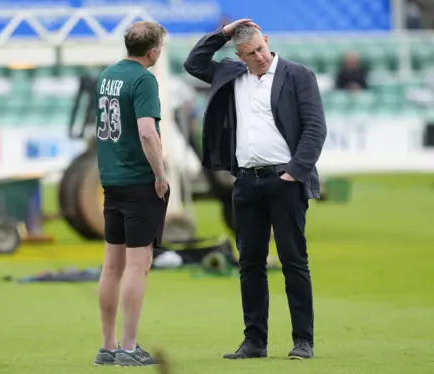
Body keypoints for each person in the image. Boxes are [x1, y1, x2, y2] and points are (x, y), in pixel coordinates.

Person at [184, 19, 327, 360]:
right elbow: (194, 63)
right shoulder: (231, 74)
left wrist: (294, 173)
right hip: (246, 182)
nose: (259, 57)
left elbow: (315, 128)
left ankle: (302, 341)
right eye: (250, 53)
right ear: (239, 54)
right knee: (249, 263)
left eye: (260, 49)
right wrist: (223, 32)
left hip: (285, 181)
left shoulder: (297, 75)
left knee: (294, 261)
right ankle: (255, 342)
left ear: (267, 40)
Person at [92, 21, 169, 367]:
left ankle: (108, 346)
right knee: (138, 267)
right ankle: (129, 346)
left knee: (111, 266)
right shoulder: (144, 79)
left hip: (111, 180)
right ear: (152, 51)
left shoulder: (107, 75)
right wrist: (160, 175)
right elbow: (147, 132)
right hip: (139, 180)